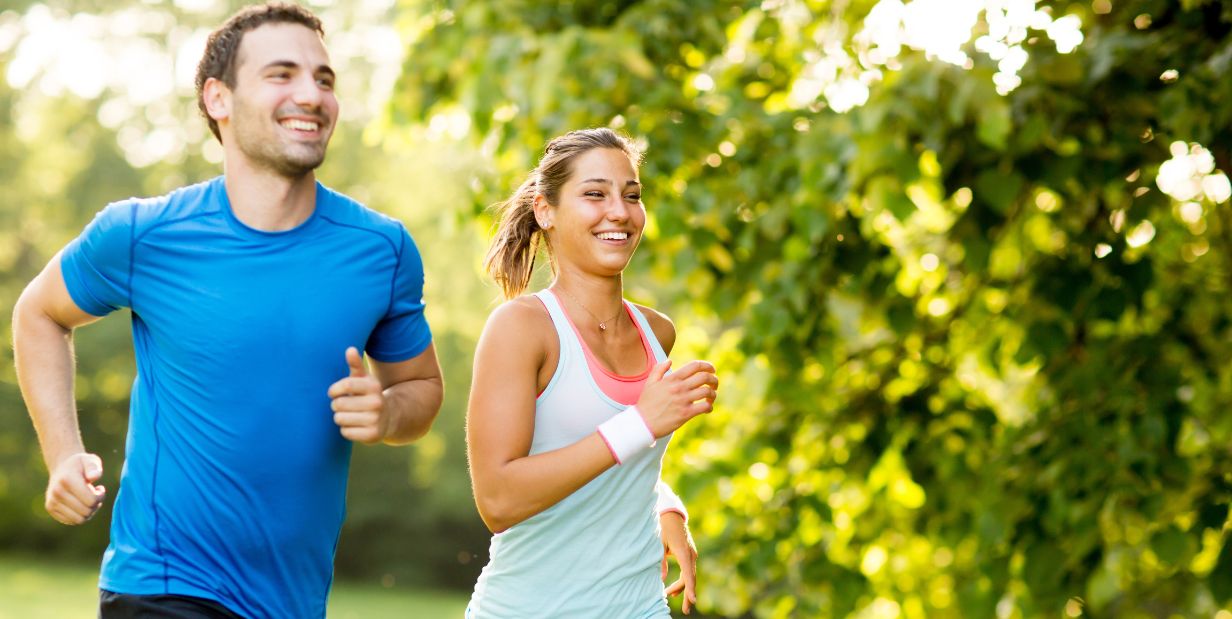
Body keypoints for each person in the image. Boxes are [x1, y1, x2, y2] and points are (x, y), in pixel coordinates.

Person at [11, 3, 443, 617]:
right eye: (282, 74)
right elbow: (39, 314)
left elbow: (421, 388)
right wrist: (62, 456)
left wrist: (388, 411)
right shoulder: (142, 234)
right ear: (219, 98)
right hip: (161, 583)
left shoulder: (382, 249)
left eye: (324, 79)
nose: (312, 94)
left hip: (292, 601)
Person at [465, 127, 719, 617]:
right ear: (545, 210)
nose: (619, 212)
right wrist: (640, 422)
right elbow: (499, 500)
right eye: (594, 194)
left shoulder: (656, 332)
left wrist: (666, 505)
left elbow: (604, 459)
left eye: (632, 195)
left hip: (639, 607)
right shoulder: (522, 328)